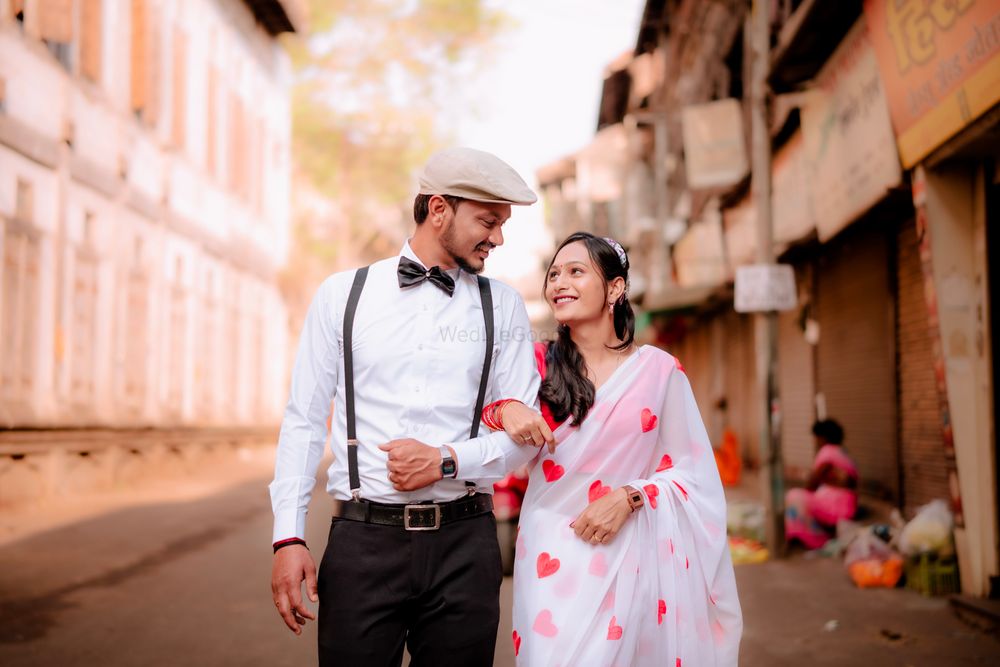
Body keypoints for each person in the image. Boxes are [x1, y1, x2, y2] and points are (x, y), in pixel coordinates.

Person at [268, 147, 552, 666]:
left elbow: (522, 436)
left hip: (465, 545)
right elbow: (304, 421)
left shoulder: (503, 306)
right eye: (488, 221)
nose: (499, 238)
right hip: (363, 543)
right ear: (438, 208)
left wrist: (445, 460)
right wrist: (287, 536)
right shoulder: (341, 296)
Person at [484, 232, 742, 666]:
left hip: (631, 552)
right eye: (554, 274)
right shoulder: (533, 364)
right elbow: (482, 411)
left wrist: (631, 496)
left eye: (576, 271)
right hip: (551, 555)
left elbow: (694, 472)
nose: (558, 283)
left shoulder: (659, 371)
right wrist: (505, 408)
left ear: (616, 288)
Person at [784, 418, 858, 549]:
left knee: (794, 496)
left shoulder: (827, 452)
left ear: (822, 437)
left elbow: (812, 482)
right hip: (848, 506)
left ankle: (808, 538)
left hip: (836, 508)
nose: (815, 441)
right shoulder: (841, 451)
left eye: (816, 437)